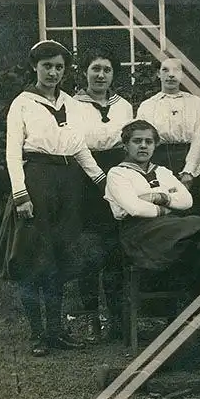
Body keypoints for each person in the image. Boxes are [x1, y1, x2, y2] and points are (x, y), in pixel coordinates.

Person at [0, 39, 107, 356]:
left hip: (68, 183)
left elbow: (79, 147)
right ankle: (37, 335)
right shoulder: (22, 103)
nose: (53, 72)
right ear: (35, 66)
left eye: (59, 67)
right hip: (37, 182)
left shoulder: (72, 104)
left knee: (59, 258)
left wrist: (100, 179)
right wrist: (21, 194)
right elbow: (12, 152)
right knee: (34, 258)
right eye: (47, 66)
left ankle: (56, 331)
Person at [104, 121, 200, 300]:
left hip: (171, 233)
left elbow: (186, 201)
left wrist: (158, 197)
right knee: (199, 227)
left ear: (155, 145)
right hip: (140, 236)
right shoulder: (117, 174)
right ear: (125, 145)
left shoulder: (163, 172)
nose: (143, 145)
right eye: (137, 141)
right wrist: (167, 206)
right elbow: (134, 209)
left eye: (149, 141)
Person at [73, 48, 133, 341]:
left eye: (106, 70)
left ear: (113, 75)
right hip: (85, 178)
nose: (100, 75)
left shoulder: (124, 106)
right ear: (85, 72)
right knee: (87, 252)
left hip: (118, 173)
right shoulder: (72, 105)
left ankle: (118, 321)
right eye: (95, 69)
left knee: (115, 248)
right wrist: (98, 176)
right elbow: (75, 144)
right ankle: (90, 321)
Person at [137, 58, 200, 215]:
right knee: (164, 207)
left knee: (190, 207)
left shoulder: (196, 103)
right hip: (158, 161)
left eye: (176, 70)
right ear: (158, 74)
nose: (171, 75)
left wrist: (189, 171)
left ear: (183, 75)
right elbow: (143, 140)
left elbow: (199, 138)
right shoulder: (147, 106)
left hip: (187, 158)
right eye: (165, 70)